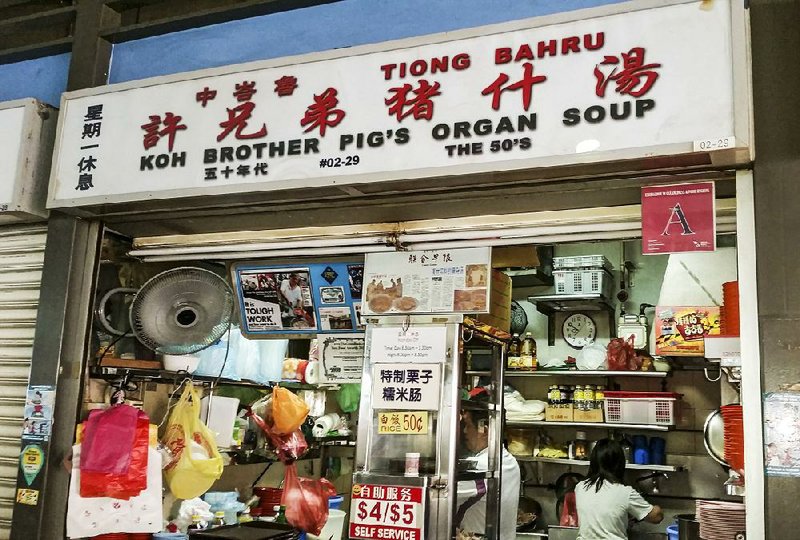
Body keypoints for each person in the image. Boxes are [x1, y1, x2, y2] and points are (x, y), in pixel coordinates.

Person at [457, 393, 520, 540]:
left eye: (467, 425)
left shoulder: (482, 466)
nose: (464, 431)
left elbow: (442, 494)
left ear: (484, 430)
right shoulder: (510, 461)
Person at [575, 439, 663, 540]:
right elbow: (656, 517)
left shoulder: (580, 488)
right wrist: (657, 509)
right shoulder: (625, 492)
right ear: (619, 464)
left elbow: (598, 514)